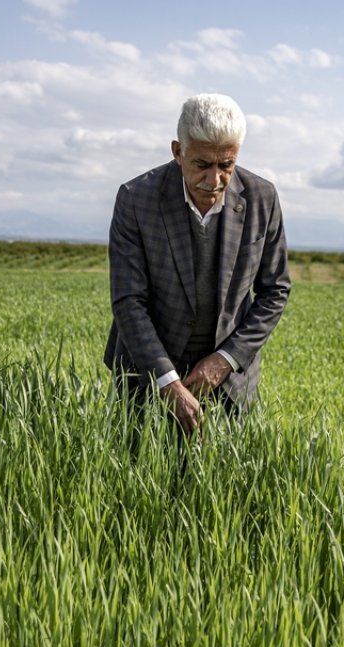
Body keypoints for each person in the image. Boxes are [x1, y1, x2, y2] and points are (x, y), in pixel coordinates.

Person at [104, 93, 292, 435]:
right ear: (178, 152)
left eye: (226, 165)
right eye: (202, 165)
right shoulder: (136, 199)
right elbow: (128, 301)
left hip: (231, 382)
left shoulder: (262, 198)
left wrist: (226, 360)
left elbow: (275, 290)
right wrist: (167, 382)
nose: (215, 179)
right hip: (146, 376)